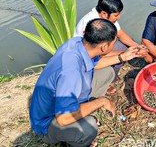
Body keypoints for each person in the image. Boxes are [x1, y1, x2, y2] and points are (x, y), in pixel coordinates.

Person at [30, 19, 143, 147]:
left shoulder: (77, 43)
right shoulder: (71, 72)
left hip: (67, 97)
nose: (115, 45)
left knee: (107, 73)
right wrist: (101, 101)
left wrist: (123, 57)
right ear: (104, 47)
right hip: (49, 123)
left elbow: (95, 64)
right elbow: (63, 118)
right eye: (114, 42)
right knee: (88, 128)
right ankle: (76, 141)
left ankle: (86, 110)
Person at [74, 0, 145, 83]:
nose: (118, 17)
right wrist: (123, 55)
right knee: (118, 60)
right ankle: (107, 82)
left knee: (125, 45)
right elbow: (96, 54)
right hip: (88, 57)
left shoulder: (106, 18)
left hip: (101, 48)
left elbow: (121, 34)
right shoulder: (93, 25)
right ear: (104, 13)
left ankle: (112, 77)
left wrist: (137, 46)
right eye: (116, 15)